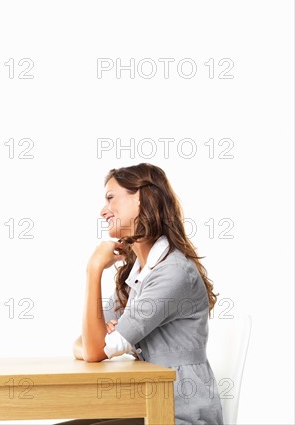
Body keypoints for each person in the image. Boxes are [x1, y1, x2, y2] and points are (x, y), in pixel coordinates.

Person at [70, 163, 224, 425]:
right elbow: (83, 343)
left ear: (141, 198)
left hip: (180, 415)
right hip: (148, 408)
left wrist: (94, 269)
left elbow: (94, 351)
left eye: (111, 198)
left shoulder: (172, 273)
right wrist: (96, 342)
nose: (103, 211)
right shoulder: (138, 275)